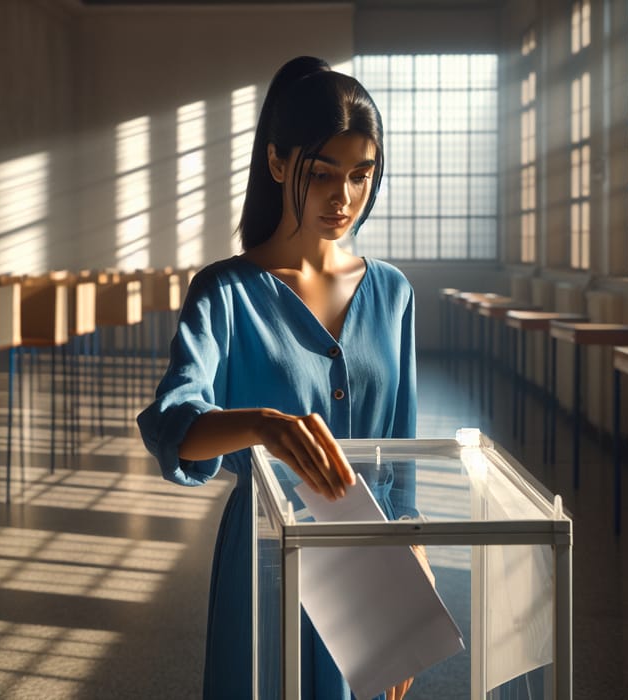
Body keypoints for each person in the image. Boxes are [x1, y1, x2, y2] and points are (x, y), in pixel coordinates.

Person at [137, 56, 417, 700]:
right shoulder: (225, 292)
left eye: (361, 175)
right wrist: (262, 426)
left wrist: (412, 555)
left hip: (369, 555)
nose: (343, 198)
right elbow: (173, 423)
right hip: (264, 555)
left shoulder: (393, 294)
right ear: (278, 164)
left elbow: (399, 458)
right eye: (322, 175)